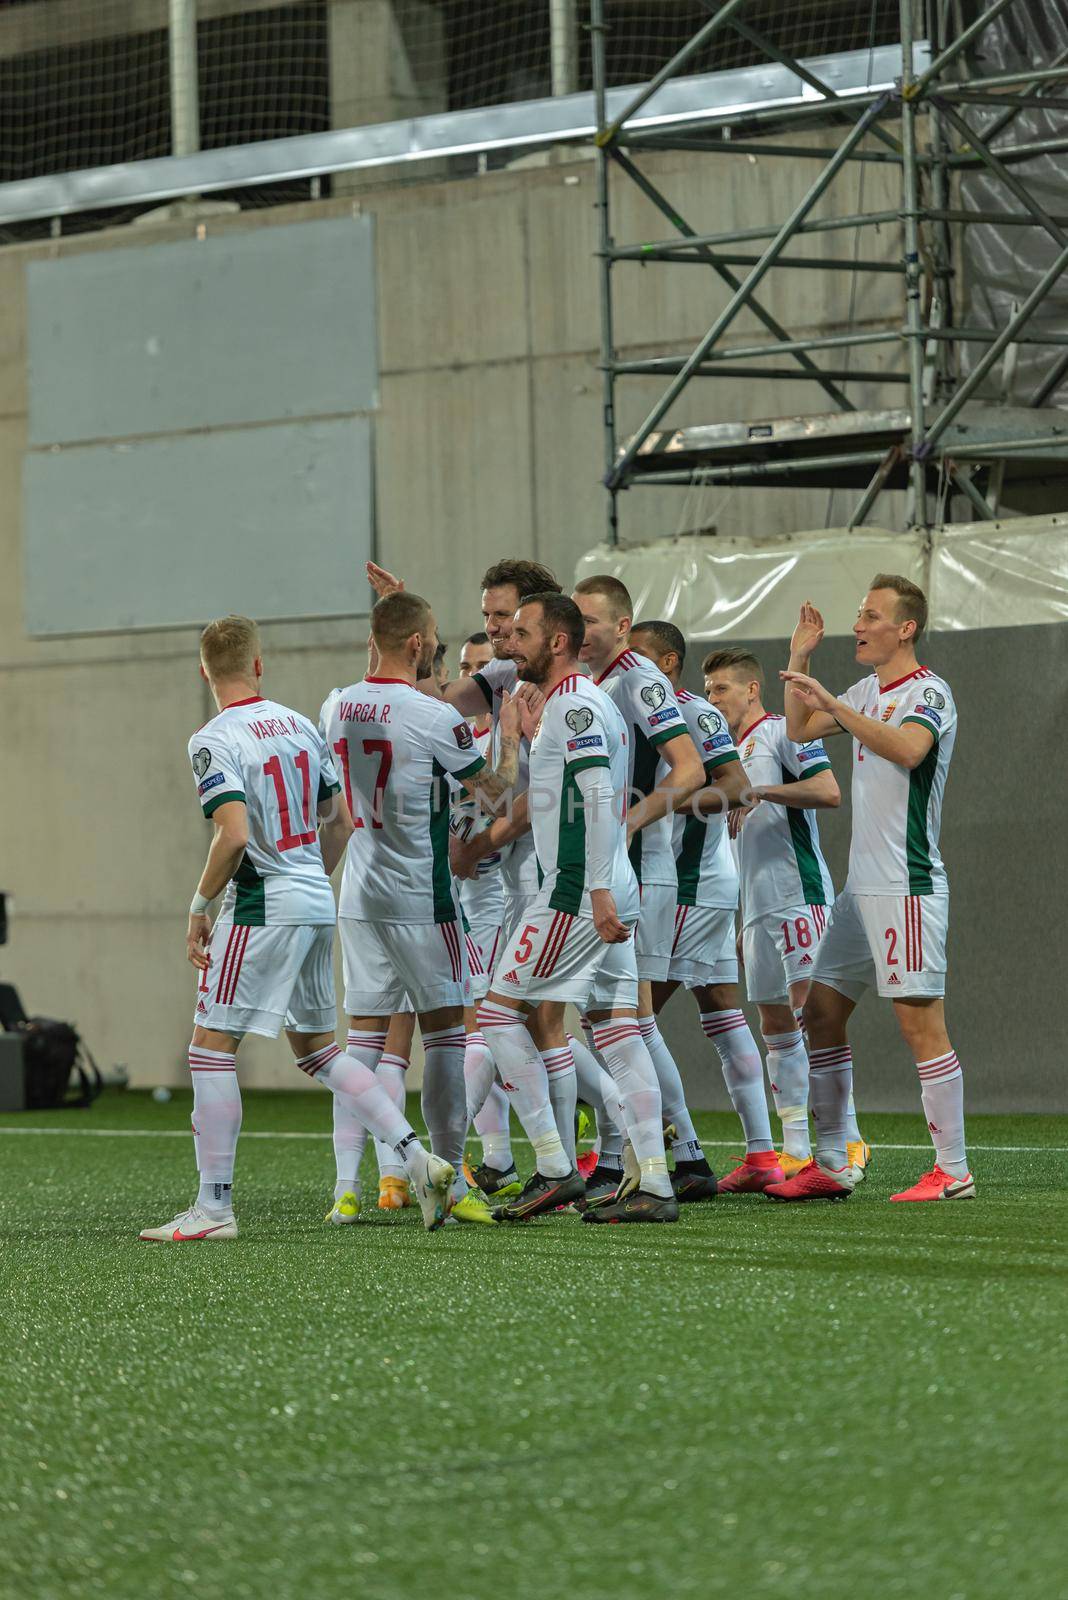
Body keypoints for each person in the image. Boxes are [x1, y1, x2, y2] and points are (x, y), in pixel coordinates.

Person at [140, 614, 456, 1241]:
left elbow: (233, 834)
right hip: (316, 897)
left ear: (205, 672)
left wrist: (200, 906)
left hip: (262, 908)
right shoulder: (298, 725)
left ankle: (215, 1208)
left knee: (209, 1051)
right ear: (259, 665)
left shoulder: (213, 739)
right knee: (318, 1052)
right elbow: (337, 819)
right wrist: (311, 879)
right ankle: (416, 1157)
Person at [366, 558, 625, 1197]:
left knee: (529, 1021)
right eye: (487, 620)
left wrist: (483, 841)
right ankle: (595, 1155)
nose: (496, 633)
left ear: (539, 622)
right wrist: (400, 628)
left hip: (565, 879)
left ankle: (569, 1160)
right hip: (540, 878)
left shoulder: (567, 690)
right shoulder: (515, 675)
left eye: (504, 620)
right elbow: (426, 700)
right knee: (558, 1026)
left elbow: (528, 797)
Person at [321, 590, 524, 1226]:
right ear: (417, 644)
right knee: (446, 1035)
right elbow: (494, 799)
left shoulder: (335, 704)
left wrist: (391, 608)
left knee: (362, 1041)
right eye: (432, 635)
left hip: (358, 894)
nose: (437, 643)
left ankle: (345, 1188)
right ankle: (450, 1176)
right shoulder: (435, 717)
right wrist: (510, 744)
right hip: (420, 896)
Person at [766, 577, 972, 1202]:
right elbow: (799, 731)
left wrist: (841, 705)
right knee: (821, 1014)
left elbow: (909, 750)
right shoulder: (864, 690)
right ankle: (831, 1162)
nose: (859, 623)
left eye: (872, 615)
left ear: (905, 628)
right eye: (858, 612)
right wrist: (800, 660)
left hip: (906, 887)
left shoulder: (929, 692)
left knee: (921, 1029)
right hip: (862, 889)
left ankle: (953, 1170)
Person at [475, 592, 679, 1223]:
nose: (512, 640)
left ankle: (554, 1167)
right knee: (618, 1032)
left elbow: (595, 796)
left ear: (556, 642)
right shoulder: (573, 704)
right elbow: (544, 786)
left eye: (524, 632)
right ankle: (656, 1184)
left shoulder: (574, 704)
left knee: (498, 1014)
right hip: (604, 882)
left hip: (574, 889)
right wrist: (520, 738)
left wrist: (591, 893)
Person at [703, 646, 869, 1183]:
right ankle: (793, 1147)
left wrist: (762, 789)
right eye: (707, 691)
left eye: (721, 688)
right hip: (753, 909)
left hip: (798, 894)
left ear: (752, 689)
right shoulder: (725, 754)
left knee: (812, 1019)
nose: (713, 699)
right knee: (774, 1024)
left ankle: (848, 1140)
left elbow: (828, 790)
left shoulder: (781, 732)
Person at [570, 577, 707, 1206]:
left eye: (593, 620)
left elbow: (692, 768)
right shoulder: (589, 683)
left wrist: (629, 821)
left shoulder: (638, 678)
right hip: (606, 869)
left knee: (630, 1022)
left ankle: (676, 1155)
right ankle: (640, 1158)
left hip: (638, 870)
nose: (583, 628)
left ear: (623, 625)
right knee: (610, 1022)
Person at [626, 621, 755, 1200]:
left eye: (641, 658)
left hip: (687, 883)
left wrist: (662, 801)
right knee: (723, 1017)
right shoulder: (632, 704)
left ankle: (658, 1146)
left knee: (629, 1018)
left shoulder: (691, 713)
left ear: (668, 662)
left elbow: (738, 787)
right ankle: (763, 1155)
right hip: (690, 882)